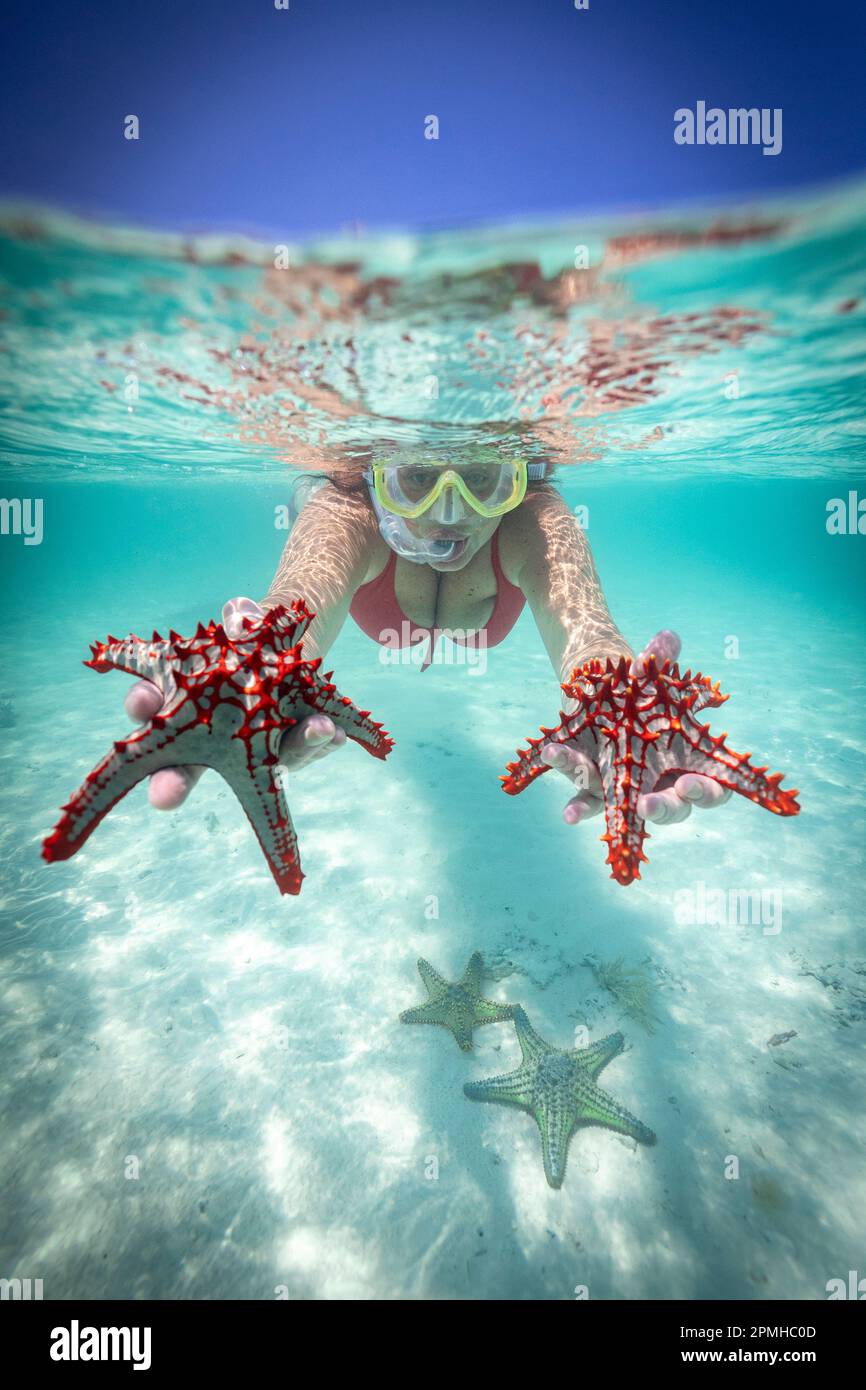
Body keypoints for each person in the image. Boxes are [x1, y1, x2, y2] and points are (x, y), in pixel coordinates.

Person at [123, 454, 731, 841]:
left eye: (480, 481)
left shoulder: (534, 523)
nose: (450, 513)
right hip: (342, 511)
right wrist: (246, 683)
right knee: (315, 507)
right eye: (416, 479)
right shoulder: (350, 513)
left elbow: (589, 633)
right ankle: (301, 498)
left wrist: (626, 711)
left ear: (516, 478)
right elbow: (290, 620)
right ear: (377, 474)